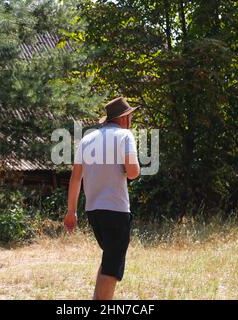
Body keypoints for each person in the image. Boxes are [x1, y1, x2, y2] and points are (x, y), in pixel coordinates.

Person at [63, 96, 140, 300]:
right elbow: (133, 172)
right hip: (116, 210)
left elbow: (75, 179)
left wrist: (71, 212)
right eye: (130, 116)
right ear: (124, 118)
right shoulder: (125, 136)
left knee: (108, 260)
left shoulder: (87, 139)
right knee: (112, 268)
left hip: (93, 212)